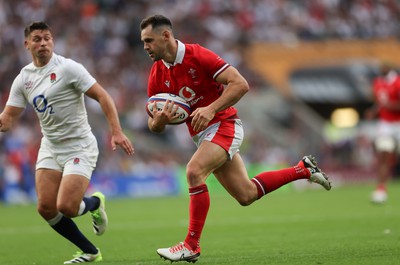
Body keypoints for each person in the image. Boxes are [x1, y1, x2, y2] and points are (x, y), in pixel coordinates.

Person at [140, 14, 331, 263]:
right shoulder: (156, 74)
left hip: (225, 124)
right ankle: (303, 169)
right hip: (202, 135)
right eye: (143, 42)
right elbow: (152, 125)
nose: (145, 47)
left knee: (193, 172)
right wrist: (159, 122)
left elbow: (240, 84)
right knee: (247, 194)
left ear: (166, 36)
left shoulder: (198, 56)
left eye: (149, 40)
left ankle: (191, 245)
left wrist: (210, 109)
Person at [0, 22, 134, 264]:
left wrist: (116, 132)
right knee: (45, 208)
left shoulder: (69, 68)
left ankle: (95, 203)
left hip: (79, 145)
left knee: (67, 207)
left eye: (47, 38)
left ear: (53, 41)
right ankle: (90, 251)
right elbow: (7, 119)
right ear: (27, 44)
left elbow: (102, 95)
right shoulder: (23, 78)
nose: (43, 43)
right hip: (51, 146)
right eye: (37, 39)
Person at [365, 63, 400, 203]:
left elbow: (390, 104)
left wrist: (391, 106)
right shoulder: (378, 83)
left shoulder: (397, 82)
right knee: (383, 155)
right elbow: (379, 102)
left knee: (389, 156)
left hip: (398, 123)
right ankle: (381, 189)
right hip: (385, 124)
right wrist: (373, 111)